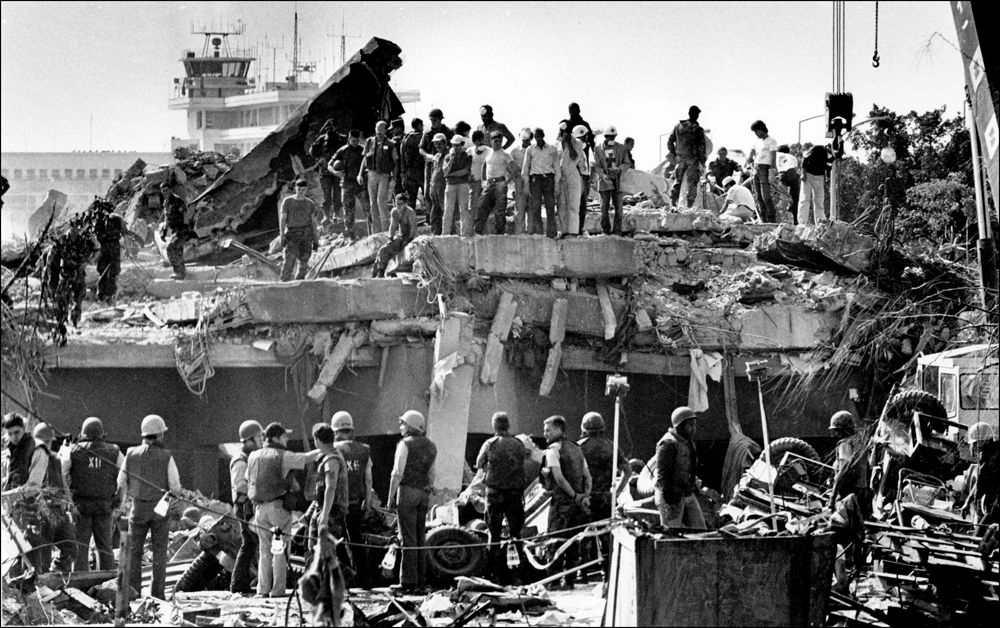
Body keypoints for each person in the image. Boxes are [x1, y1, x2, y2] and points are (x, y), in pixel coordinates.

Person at [246, 422, 322, 598]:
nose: (287, 439)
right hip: (278, 509)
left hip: (260, 510)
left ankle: (262, 590)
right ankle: (277, 590)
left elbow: (249, 479)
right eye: (284, 436)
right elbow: (307, 457)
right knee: (280, 550)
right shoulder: (283, 455)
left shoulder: (253, 456)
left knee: (264, 551)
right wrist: (329, 448)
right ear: (276, 437)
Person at [120, 415, 182, 598]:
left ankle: (133, 592)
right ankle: (157, 594)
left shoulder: (131, 453)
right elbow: (175, 486)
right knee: (159, 553)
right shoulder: (166, 456)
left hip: (137, 509)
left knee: (134, 552)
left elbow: (121, 481)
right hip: (159, 510)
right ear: (159, 435)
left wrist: (123, 504)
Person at [14, 422, 77, 574]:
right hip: (40, 511)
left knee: (70, 548)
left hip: (57, 510)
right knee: (42, 557)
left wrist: (70, 503)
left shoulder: (55, 458)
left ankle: (56, 578)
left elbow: (62, 481)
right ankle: (41, 588)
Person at [63, 417, 124, 572]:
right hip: (104, 507)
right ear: (102, 433)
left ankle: (81, 584)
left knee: (80, 548)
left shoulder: (72, 450)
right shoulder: (114, 451)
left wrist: (69, 502)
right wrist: (118, 500)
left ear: (83, 433)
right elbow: (125, 477)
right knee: (105, 548)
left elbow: (62, 474)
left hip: (80, 508)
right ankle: (107, 584)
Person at [387, 410, 437, 594]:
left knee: (407, 537)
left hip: (407, 491)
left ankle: (407, 582)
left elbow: (397, 473)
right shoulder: (431, 446)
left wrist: (390, 496)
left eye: (403, 424)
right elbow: (432, 474)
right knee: (419, 537)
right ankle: (420, 580)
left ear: (411, 426)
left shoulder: (404, 444)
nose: (401, 427)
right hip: (423, 493)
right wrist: (428, 488)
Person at [577, 412, 630, 582]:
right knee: (606, 536)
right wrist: (617, 491)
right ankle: (607, 574)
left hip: (586, 498)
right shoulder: (612, 447)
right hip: (606, 498)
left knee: (583, 535)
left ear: (584, 429)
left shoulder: (579, 447)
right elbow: (627, 471)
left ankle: (582, 573)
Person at [475, 412, 527, 584]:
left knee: (494, 535)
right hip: (515, 494)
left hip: (495, 494)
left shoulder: (489, 444)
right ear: (508, 425)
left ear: (494, 426)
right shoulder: (519, 444)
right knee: (515, 534)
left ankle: (494, 575)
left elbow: (479, 463)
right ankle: (516, 575)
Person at [541, 415, 592, 590]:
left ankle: (554, 582)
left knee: (555, 541)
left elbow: (559, 478)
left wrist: (574, 496)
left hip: (561, 505)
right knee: (573, 542)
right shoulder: (577, 449)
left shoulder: (553, 450)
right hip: (577, 506)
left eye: (547, 430)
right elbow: (588, 476)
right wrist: (584, 496)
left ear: (557, 430)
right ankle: (569, 581)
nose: (544, 433)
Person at [332, 411, 373, 589]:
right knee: (356, 542)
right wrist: (368, 501)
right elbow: (368, 478)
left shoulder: (333, 451)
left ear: (335, 431)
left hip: (337, 505)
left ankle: (347, 578)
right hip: (356, 503)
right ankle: (365, 582)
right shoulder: (364, 449)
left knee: (337, 542)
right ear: (351, 429)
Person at [655, 407, 706, 528]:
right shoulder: (667, 444)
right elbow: (662, 476)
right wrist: (670, 501)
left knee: (701, 532)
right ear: (680, 426)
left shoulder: (687, 442)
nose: (694, 429)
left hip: (686, 494)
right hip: (671, 496)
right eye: (690, 425)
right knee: (672, 537)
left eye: (694, 425)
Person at [229, 420, 263, 594]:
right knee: (252, 543)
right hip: (244, 507)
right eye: (258, 437)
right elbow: (240, 485)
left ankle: (239, 584)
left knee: (250, 545)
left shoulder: (249, 458)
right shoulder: (240, 460)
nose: (261, 441)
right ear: (249, 440)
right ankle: (240, 584)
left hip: (247, 505)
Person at [310, 424, 350, 563]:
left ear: (318, 441)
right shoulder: (332, 454)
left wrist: (325, 515)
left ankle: (337, 580)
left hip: (332, 509)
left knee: (324, 548)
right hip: (330, 507)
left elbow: (330, 487)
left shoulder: (331, 460)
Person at [827, 411, 870, 517]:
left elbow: (843, 471)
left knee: (842, 523)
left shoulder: (845, 444)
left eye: (837, 430)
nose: (836, 434)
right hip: (862, 489)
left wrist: (832, 499)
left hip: (849, 492)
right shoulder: (861, 441)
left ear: (844, 430)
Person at [278, 178, 321, 282]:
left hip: (306, 234)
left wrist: (316, 239)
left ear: (306, 189)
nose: (301, 192)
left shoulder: (310, 204)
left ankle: (299, 283)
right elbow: (283, 219)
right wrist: (282, 235)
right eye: (299, 189)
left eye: (303, 189)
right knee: (289, 261)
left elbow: (313, 222)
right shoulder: (288, 202)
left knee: (304, 261)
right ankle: (284, 284)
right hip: (292, 234)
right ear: (295, 189)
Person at [475, 130, 517, 235]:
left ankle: (500, 233)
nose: (498, 143)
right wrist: (483, 180)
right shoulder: (488, 152)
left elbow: (515, 169)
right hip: (489, 184)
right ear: (491, 141)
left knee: (500, 211)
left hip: (500, 184)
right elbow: (484, 165)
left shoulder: (505, 154)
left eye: (500, 140)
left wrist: (506, 182)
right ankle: (478, 233)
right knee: (481, 207)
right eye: (495, 140)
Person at [521, 127, 560, 238]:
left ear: (543, 135)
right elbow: (526, 167)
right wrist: (526, 184)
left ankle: (551, 233)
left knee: (550, 206)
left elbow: (556, 166)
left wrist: (557, 183)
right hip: (536, 180)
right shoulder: (530, 149)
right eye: (536, 136)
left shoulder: (552, 149)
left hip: (548, 179)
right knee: (536, 207)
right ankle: (539, 232)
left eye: (540, 135)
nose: (538, 138)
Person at [667, 106, 708, 209]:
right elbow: (701, 148)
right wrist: (703, 162)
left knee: (678, 180)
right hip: (693, 159)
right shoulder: (698, 129)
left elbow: (670, 141)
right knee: (693, 182)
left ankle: (673, 203)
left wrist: (674, 153)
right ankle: (689, 205)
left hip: (680, 158)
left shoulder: (678, 126)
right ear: (696, 115)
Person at [593, 126, 631, 236]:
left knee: (619, 208)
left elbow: (627, 163)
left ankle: (617, 231)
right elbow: (597, 165)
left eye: (613, 136)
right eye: (609, 136)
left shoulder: (621, 148)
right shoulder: (598, 149)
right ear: (605, 137)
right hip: (604, 181)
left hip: (618, 181)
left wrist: (619, 169)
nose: (611, 138)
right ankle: (605, 231)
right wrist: (603, 176)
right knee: (604, 208)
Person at [361, 121, 397, 233]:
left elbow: (396, 162)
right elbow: (364, 159)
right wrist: (360, 174)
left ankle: (385, 230)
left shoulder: (391, 144)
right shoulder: (369, 142)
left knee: (381, 201)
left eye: (382, 130)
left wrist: (394, 178)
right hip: (371, 174)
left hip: (384, 175)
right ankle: (376, 231)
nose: (379, 132)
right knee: (373, 203)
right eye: (377, 129)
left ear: (386, 130)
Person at [309, 120, 347, 228]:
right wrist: (318, 159)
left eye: (331, 127)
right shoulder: (321, 139)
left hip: (337, 170)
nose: (329, 130)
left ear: (335, 127)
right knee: (326, 195)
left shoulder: (342, 139)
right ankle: (326, 216)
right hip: (325, 171)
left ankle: (337, 214)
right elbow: (312, 150)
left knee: (337, 193)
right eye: (327, 128)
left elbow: (347, 151)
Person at [373, 193, 418, 278]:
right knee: (385, 249)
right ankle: (380, 271)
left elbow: (414, 227)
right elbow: (393, 225)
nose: (398, 207)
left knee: (406, 249)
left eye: (400, 204)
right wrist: (391, 237)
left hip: (410, 237)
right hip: (401, 235)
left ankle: (398, 270)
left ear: (405, 204)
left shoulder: (410, 212)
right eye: (397, 204)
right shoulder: (395, 211)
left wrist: (410, 239)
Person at [333, 130, 367, 239]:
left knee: (367, 208)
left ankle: (371, 233)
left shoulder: (362, 150)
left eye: (357, 141)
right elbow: (330, 165)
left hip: (360, 184)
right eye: (353, 141)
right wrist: (335, 172)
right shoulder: (342, 151)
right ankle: (350, 237)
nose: (355, 143)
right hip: (347, 184)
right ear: (348, 139)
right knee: (348, 211)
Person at [92, 199, 126, 302]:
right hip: (106, 247)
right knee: (103, 270)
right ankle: (102, 295)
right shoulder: (98, 220)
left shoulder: (117, 219)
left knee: (113, 271)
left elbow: (124, 232)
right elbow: (95, 236)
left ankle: (109, 296)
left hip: (112, 246)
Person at [556, 121, 585, 237]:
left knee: (573, 206)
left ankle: (573, 232)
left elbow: (574, 157)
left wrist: (568, 142)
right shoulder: (556, 145)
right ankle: (564, 231)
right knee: (561, 206)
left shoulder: (577, 143)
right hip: (561, 178)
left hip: (572, 176)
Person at [419, 108, 454, 202]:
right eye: (431, 120)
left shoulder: (448, 132)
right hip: (430, 164)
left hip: (444, 163)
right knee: (428, 192)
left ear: (440, 120)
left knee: (442, 190)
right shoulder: (427, 133)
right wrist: (427, 155)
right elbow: (421, 148)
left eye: (435, 120)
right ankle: (430, 214)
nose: (433, 122)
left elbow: (453, 147)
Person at [748, 120, 779, 222]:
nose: (756, 134)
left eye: (757, 131)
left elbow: (773, 158)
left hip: (765, 169)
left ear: (762, 130)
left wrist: (772, 171)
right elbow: (751, 155)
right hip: (756, 169)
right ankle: (763, 219)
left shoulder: (771, 141)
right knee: (758, 196)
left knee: (766, 196)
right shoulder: (757, 142)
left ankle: (772, 219)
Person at [160, 182, 192, 280]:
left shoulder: (177, 200)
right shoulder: (166, 202)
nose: (165, 192)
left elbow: (185, 213)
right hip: (173, 230)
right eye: (163, 191)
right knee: (178, 252)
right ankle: (181, 273)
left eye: (167, 190)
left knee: (170, 248)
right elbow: (167, 217)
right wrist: (164, 231)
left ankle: (177, 271)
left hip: (181, 229)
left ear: (170, 190)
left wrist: (186, 227)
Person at [443, 135, 473, 236]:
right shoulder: (448, 157)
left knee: (464, 209)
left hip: (462, 184)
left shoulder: (468, 156)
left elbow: (464, 171)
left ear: (462, 145)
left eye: (458, 145)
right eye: (454, 145)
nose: (456, 147)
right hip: (451, 185)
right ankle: (445, 233)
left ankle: (464, 234)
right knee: (448, 210)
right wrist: (451, 161)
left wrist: (451, 174)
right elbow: (445, 171)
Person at [799, 144, 833, 225]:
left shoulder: (831, 156)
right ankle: (802, 222)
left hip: (819, 178)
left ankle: (820, 222)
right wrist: (803, 173)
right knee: (805, 199)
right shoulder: (817, 148)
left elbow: (828, 166)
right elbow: (805, 159)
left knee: (819, 201)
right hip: (808, 175)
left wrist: (827, 178)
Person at [3, 412, 35, 490]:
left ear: (24, 428)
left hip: (23, 493)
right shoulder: (12, 448)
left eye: (17, 432)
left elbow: (21, 477)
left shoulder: (28, 445)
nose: (14, 437)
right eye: (10, 434)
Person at [510, 128, 533, 235]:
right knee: (520, 209)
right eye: (523, 140)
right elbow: (510, 167)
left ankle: (531, 233)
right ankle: (519, 233)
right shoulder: (514, 152)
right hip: (519, 182)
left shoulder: (534, 150)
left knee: (532, 209)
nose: (525, 142)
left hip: (532, 181)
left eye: (527, 140)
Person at [399, 118, 426, 211]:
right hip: (422, 171)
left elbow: (402, 158)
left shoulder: (405, 138)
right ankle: (429, 219)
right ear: (419, 125)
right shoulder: (423, 137)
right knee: (427, 197)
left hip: (409, 172)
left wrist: (403, 174)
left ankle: (410, 221)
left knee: (411, 199)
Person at [573, 125, 593, 234]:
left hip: (584, 177)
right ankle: (577, 230)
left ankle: (579, 229)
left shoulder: (581, 148)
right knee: (580, 206)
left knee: (582, 206)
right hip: (580, 178)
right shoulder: (577, 149)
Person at [428, 133, 449, 235]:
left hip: (444, 187)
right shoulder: (436, 156)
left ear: (445, 143)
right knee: (434, 214)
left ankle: (446, 234)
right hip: (435, 188)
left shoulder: (449, 155)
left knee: (445, 212)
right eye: (435, 144)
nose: (437, 146)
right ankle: (435, 234)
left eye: (439, 144)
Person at [468, 131, 490, 222]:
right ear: (474, 141)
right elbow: (467, 165)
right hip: (474, 182)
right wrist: (468, 176)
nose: (480, 142)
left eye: (481, 139)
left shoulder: (489, 150)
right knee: (473, 206)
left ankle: (484, 231)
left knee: (485, 207)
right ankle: (472, 229)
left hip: (486, 182)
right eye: (477, 140)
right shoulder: (469, 151)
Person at [776, 144, 800, 222]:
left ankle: (787, 203)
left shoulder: (777, 155)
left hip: (782, 174)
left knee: (781, 194)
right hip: (793, 173)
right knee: (795, 197)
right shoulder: (792, 157)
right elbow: (796, 168)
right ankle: (795, 219)